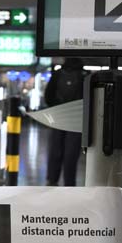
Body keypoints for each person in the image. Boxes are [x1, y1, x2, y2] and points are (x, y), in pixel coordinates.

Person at [44, 58, 84, 186]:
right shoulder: (83, 75)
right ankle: (69, 182)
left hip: (59, 116)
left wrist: (56, 106)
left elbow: (48, 96)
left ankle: (52, 179)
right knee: (71, 153)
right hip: (76, 119)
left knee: (55, 149)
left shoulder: (57, 74)